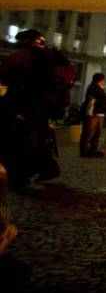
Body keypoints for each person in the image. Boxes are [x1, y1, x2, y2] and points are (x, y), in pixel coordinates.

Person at [0, 29, 75, 187]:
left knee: (15, 136)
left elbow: (4, 73)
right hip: (49, 103)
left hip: (25, 101)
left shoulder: (23, 54)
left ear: (27, 41)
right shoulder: (55, 56)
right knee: (38, 133)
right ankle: (47, 166)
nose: (17, 43)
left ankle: (20, 174)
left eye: (19, 40)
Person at [79, 72, 106, 158]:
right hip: (92, 113)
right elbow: (97, 98)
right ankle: (85, 151)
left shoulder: (98, 87)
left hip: (99, 113)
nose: (104, 81)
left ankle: (93, 149)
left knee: (97, 133)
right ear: (100, 80)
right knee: (89, 132)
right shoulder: (94, 87)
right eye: (103, 79)